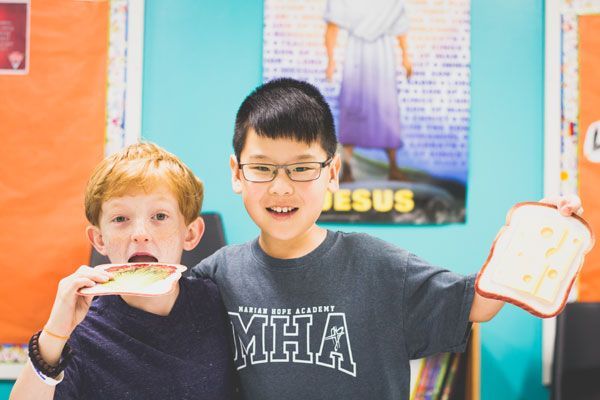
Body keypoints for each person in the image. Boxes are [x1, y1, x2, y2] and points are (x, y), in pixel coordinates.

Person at [192, 78, 582, 400]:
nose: (281, 187)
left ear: (333, 172)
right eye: (262, 167)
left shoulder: (378, 266)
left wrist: (538, 238)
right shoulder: (217, 275)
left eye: (302, 168)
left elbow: (477, 304)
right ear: (236, 172)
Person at [10, 143, 236, 400]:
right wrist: (54, 335)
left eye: (160, 216)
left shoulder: (221, 304)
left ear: (191, 233)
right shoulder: (82, 330)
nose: (140, 234)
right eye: (120, 219)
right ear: (99, 240)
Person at [324, 0, 413, 182]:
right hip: (356, 56)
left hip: (383, 56)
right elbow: (332, 28)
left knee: (386, 109)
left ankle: (394, 168)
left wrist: (406, 57)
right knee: (353, 109)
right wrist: (331, 60)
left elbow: (400, 27)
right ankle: (347, 169)